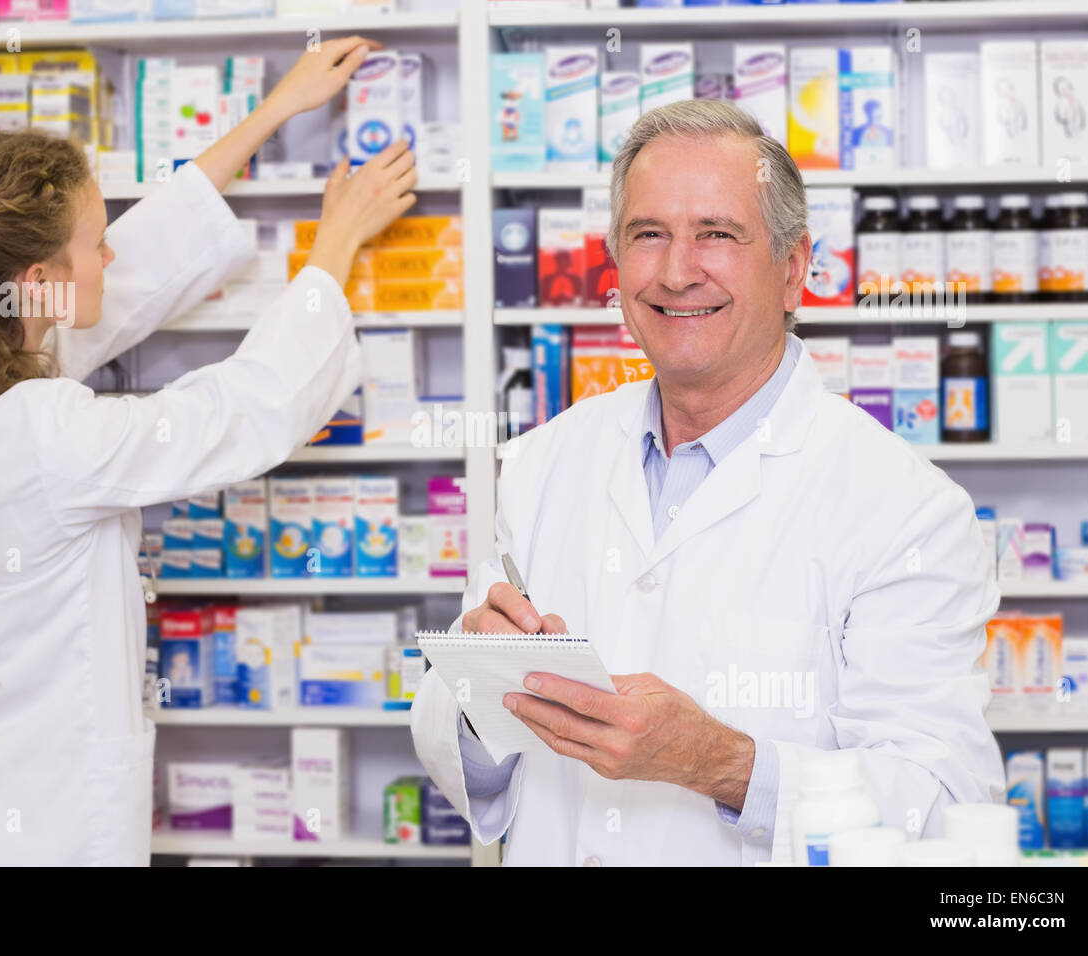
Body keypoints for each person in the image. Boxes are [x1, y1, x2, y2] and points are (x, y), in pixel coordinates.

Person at [0, 36, 416, 866]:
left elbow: (130, 273)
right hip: (45, 825)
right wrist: (336, 243)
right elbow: (246, 408)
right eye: (94, 239)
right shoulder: (49, 436)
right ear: (39, 280)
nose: (111, 249)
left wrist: (272, 111)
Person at [411, 100, 1004, 866]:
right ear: (617, 264)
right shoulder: (543, 462)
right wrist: (478, 690)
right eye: (648, 234)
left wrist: (722, 763)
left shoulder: (906, 509)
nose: (676, 271)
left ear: (793, 270)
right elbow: (460, 753)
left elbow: (944, 802)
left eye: (717, 235)